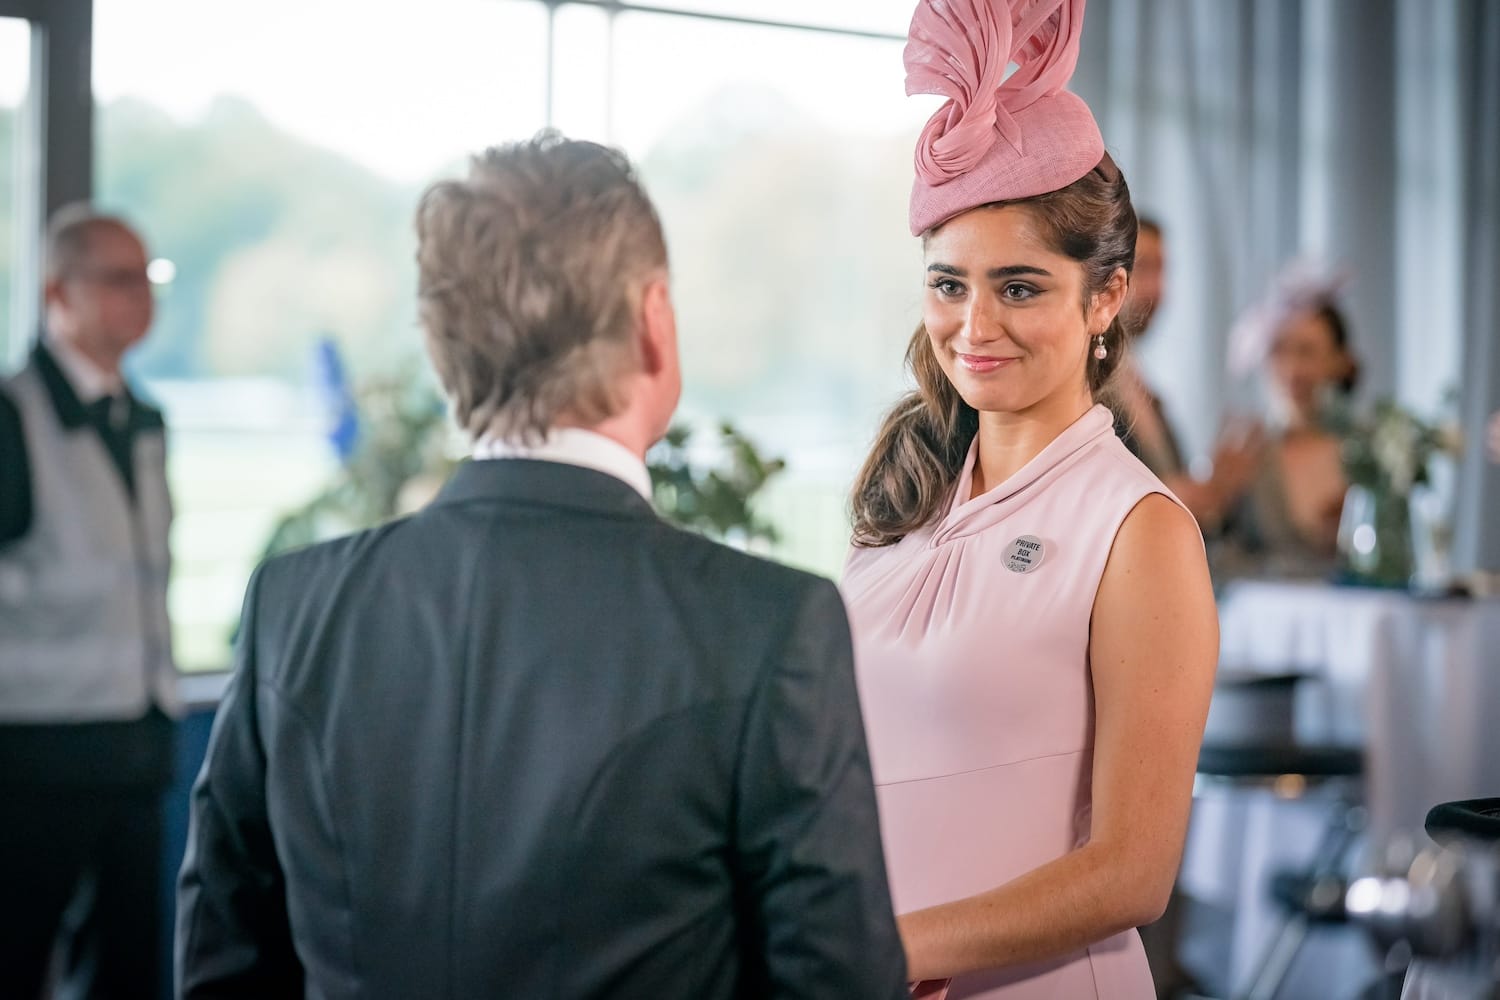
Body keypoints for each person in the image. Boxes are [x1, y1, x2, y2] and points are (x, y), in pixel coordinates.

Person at [175, 132, 908, 999]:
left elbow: (222, 966)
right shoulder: (767, 626)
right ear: (653, 324)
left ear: (446, 356)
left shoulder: (294, 609)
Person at [842, 2, 1219, 996]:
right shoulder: (903, 499)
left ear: (1105, 298)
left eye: (1018, 287)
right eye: (948, 285)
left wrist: (902, 944)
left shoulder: (1140, 533)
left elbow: (1134, 872)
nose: (973, 326)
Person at [0, 206, 178, 999]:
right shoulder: (11, 418)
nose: (142, 296)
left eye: (150, 277)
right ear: (56, 293)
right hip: (33, 751)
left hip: (135, 745)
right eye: (119, 278)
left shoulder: (143, 418)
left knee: (130, 968)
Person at [1115, 217, 1263, 529]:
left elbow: (1166, 488)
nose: (1157, 289)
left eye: (1162, 271)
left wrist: (1215, 487)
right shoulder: (1086, 385)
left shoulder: (1143, 388)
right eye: (1143, 267)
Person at [1214, 296, 1358, 580]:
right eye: (1279, 351)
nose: (1293, 369)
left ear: (1338, 360)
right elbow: (1212, 550)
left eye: (1307, 352)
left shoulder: (1367, 451)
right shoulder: (1244, 450)